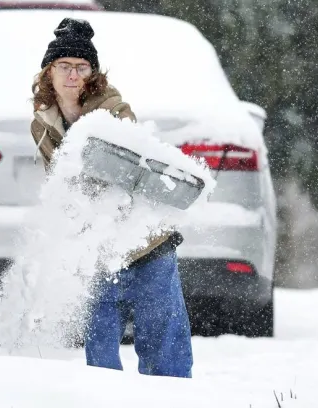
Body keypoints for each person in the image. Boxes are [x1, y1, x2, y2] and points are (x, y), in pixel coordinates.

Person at [29, 17, 193, 378]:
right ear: (49, 72)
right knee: (100, 345)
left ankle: (174, 402)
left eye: (82, 67)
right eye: (64, 66)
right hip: (98, 247)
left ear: (93, 73)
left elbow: (130, 174)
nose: (73, 75)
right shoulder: (42, 122)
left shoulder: (114, 111)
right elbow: (60, 183)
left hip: (146, 240)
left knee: (163, 342)